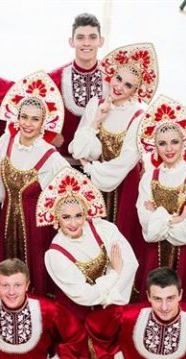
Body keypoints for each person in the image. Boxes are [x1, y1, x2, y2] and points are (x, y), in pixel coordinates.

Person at [70, 43, 158, 299]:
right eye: (118, 78)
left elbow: (127, 160)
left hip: (124, 185)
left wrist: (92, 169)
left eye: (128, 85)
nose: (119, 86)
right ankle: (95, 291)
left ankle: (120, 295)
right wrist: (96, 120)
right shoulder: (96, 104)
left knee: (121, 240)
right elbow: (78, 148)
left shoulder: (139, 115)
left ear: (137, 89)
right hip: (97, 179)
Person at [0, 71, 68, 297]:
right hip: (6, 223)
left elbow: (66, 195)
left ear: (44, 122)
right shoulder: (6, 142)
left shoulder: (51, 157)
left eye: (35, 119)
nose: (28, 123)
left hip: (37, 231)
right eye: (24, 117)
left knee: (36, 281)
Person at [136, 95, 186, 309]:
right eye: (162, 143)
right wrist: (177, 217)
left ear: (184, 143)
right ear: (154, 147)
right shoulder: (148, 178)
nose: (169, 149)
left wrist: (159, 218)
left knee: (183, 306)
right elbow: (148, 230)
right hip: (154, 251)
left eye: (175, 142)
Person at [39, 167, 137, 322]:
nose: (73, 223)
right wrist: (115, 274)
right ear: (56, 219)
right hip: (76, 316)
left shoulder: (103, 229)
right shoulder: (56, 254)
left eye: (78, 216)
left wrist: (112, 298)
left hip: (113, 305)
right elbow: (85, 295)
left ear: (85, 213)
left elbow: (130, 263)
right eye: (66, 217)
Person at [49, 13, 107, 164]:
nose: (86, 43)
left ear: (101, 41)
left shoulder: (114, 78)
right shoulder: (54, 79)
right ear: (71, 41)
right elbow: (30, 114)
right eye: (80, 37)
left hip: (103, 166)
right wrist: (49, 135)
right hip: (63, 163)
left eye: (92, 37)